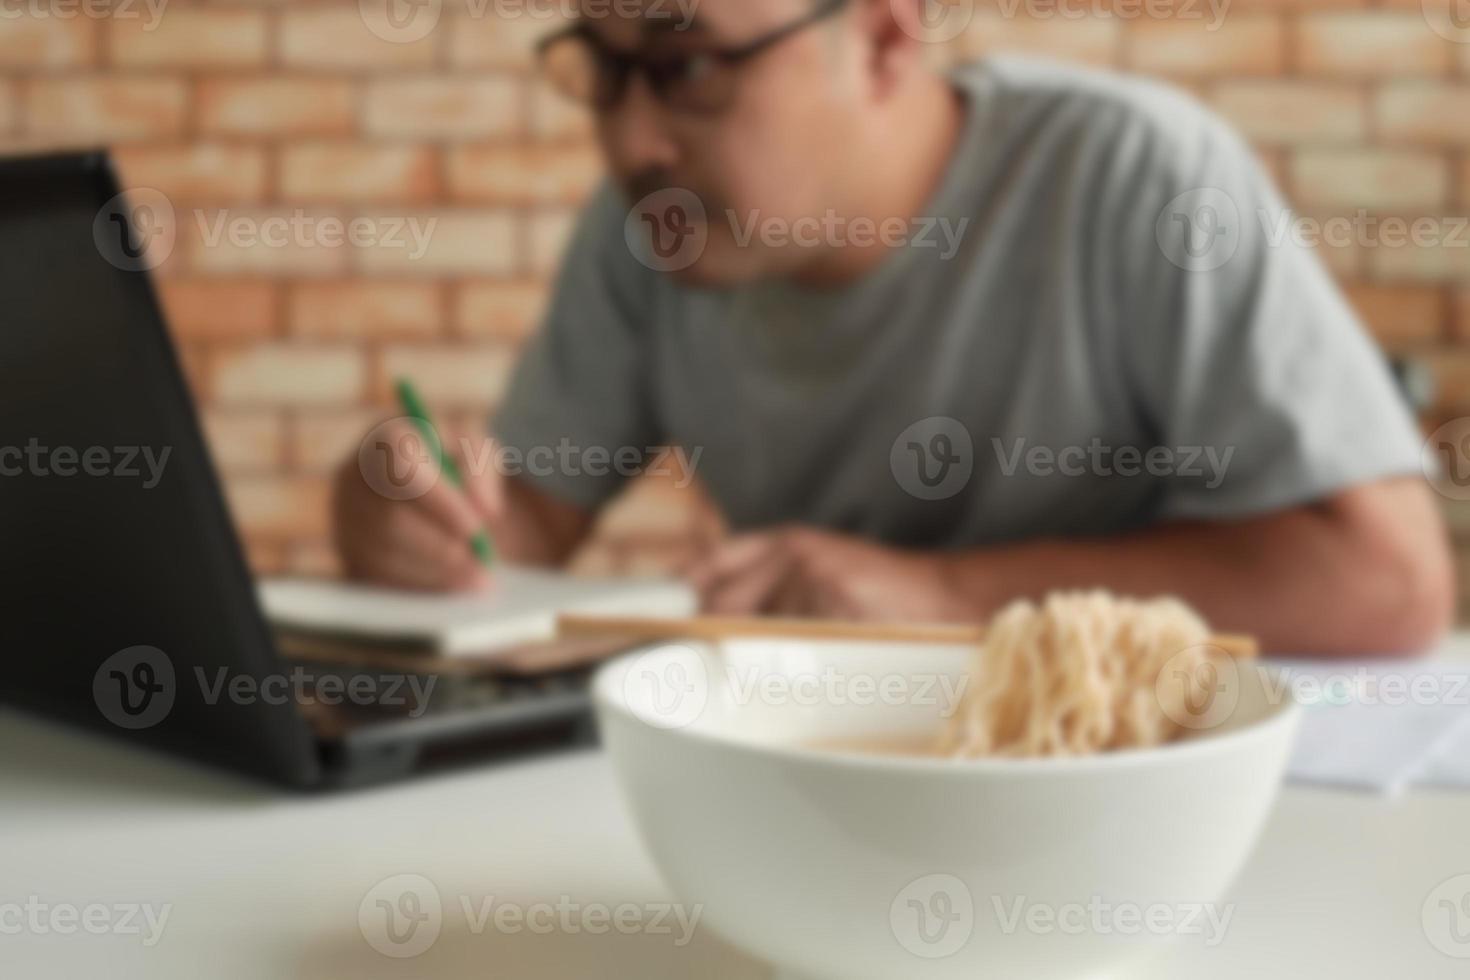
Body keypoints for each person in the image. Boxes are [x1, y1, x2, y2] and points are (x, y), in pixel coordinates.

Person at [333, 0, 1454, 655]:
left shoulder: (1138, 177)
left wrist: (948, 596)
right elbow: (523, 520)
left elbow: (1390, 581)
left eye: (685, 68)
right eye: (606, 67)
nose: (631, 142)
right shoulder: (650, 231)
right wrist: (413, 512)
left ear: (881, 39)